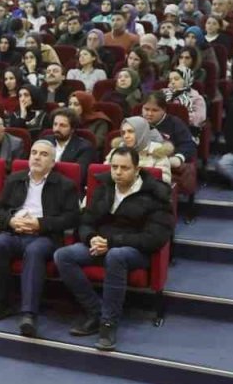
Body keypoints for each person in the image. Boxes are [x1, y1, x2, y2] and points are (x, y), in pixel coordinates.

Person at [54, 146, 173, 352]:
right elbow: (86, 221)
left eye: (124, 168)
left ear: (137, 169)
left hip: (135, 250)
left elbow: (154, 238)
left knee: (116, 256)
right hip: (101, 245)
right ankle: (96, 311)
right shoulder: (104, 187)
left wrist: (110, 242)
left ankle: (108, 324)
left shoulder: (156, 194)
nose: (117, 172)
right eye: (114, 167)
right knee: (63, 255)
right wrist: (91, 238)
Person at [0, 139, 80, 335]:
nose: (37, 157)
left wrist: (40, 224)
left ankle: (28, 313)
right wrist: (10, 221)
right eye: (34, 153)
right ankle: (2, 302)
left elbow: (72, 217)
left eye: (43, 154)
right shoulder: (15, 179)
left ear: (53, 162)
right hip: (15, 232)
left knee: (34, 251)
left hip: (44, 236)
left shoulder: (64, 185)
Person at [115, 116, 175, 184]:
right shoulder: (117, 151)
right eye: (123, 133)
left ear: (141, 132)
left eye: (130, 131)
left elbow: (164, 181)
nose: (126, 136)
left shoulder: (157, 152)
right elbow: (105, 172)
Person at [48, 109, 97, 183]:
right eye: (55, 124)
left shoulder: (84, 147)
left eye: (62, 125)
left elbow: (79, 175)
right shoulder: (44, 141)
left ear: (72, 129)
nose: (57, 129)